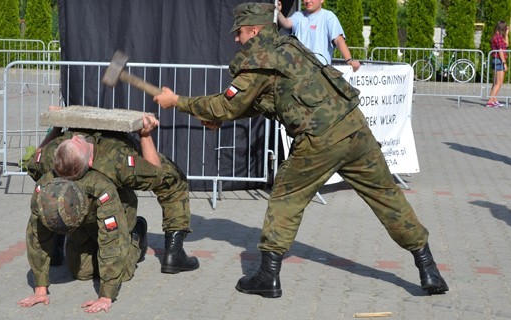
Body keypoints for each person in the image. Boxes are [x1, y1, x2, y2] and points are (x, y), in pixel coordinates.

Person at [153, 2, 449, 298]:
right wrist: (219, 116)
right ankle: (428, 268)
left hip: (319, 140)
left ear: (254, 30)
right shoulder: (289, 47)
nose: (236, 39)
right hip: (355, 129)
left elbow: (227, 103)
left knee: (285, 198)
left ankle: (268, 276)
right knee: (388, 198)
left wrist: (177, 101)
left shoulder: (259, 58)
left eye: (240, 32)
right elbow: (259, 101)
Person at [29, 113, 200, 274]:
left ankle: (56, 243)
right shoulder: (117, 161)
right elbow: (157, 176)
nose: (75, 136)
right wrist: (145, 136)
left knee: (53, 182)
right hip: (110, 170)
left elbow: (33, 164)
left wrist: (56, 129)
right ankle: (165, 249)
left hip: (92, 183)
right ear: (89, 161)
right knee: (174, 179)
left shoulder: (53, 154)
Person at [17, 173, 148, 313]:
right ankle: (87, 244)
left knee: (122, 273)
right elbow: (37, 236)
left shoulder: (101, 187)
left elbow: (111, 242)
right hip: (81, 220)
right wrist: (40, 290)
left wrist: (106, 296)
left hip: (118, 211)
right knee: (81, 272)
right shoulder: (45, 187)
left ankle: (136, 235)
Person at [275, 0, 361, 71]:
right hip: (299, 71)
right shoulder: (299, 15)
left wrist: (349, 60)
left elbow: (339, 40)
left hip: (321, 72)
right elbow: (286, 23)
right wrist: (278, 12)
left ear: (322, 0)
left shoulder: (328, 16)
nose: (308, 1)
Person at [486, 21, 508, 108]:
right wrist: (504, 63)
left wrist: (506, 34)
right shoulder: (498, 37)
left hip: (496, 60)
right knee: (499, 82)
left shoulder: (497, 36)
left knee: (495, 82)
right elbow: (501, 50)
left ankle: (494, 100)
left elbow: (506, 44)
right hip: (499, 60)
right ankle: (490, 101)